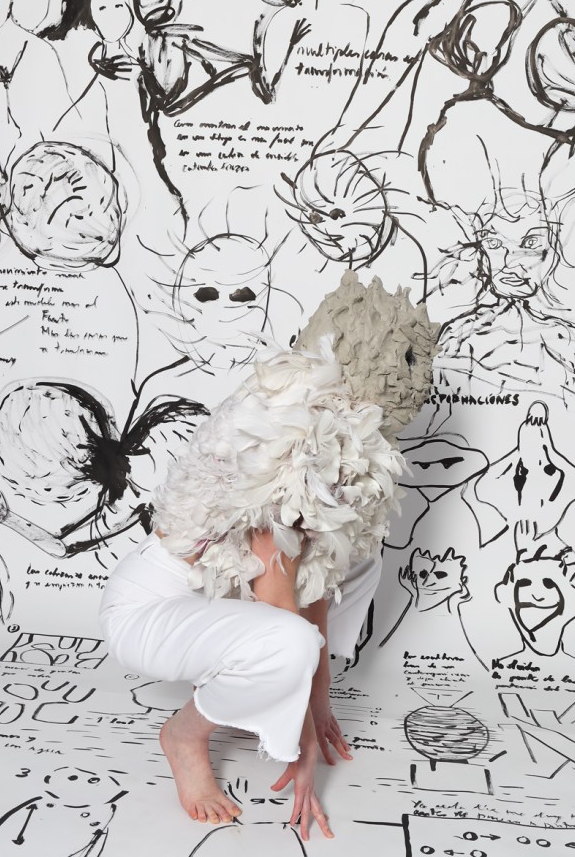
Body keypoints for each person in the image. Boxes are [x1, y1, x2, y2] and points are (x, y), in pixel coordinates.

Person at [98, 271, 439, 839]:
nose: (413, 383)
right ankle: (184, 735)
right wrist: (301, 745)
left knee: (361, 558)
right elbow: (280, 599)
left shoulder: (351, 435)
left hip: (220, 599)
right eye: (400, 362)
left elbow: (319, 579)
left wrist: (319, 698)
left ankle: (258, 680)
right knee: (291, 642)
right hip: (154, 609)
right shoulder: (289, 431)